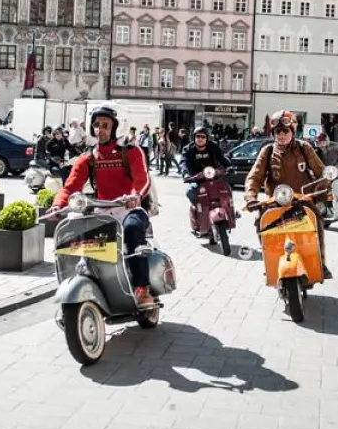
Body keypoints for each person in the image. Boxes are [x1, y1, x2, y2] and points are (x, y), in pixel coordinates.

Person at [51, 107, 155, 305]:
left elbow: (142, 179)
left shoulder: (130, 150)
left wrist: (135, 196)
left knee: (132, 229)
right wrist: (57, 206)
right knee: (77, 235)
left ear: (114, 127)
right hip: (101, 210)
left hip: (129, 209)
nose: (100, 129)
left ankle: (143, 288)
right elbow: (70, 186)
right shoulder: (88, 158)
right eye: (97, 125)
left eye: (105, 125)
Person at [243, 110, 331, 279]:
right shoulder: (267, 151)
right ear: (273, 133)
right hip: (276, 201)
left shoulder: (304, 148)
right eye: (278, 132)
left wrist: (323, 189)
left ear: (293, 131)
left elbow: (321, 171)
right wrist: (251, 197)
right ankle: (269, 260)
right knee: (259, 222)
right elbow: (254, 176)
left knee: (317, 221)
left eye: (285, 131)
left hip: (302, 200)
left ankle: (321, 262)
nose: (281, 135)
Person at [179, 126, 231, 205]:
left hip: (213, 177)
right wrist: (185, 174)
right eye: (198, 136)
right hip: (196, 179)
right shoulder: (188, 149)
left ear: (207, 138)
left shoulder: (213, 146)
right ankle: (199, 209)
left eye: (203, 137)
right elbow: (183, 162)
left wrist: (229, 166)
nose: (200, 139)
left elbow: (221, 157)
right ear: (194, 137)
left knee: (227, 188)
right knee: (189, 192)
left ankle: (230, 210)